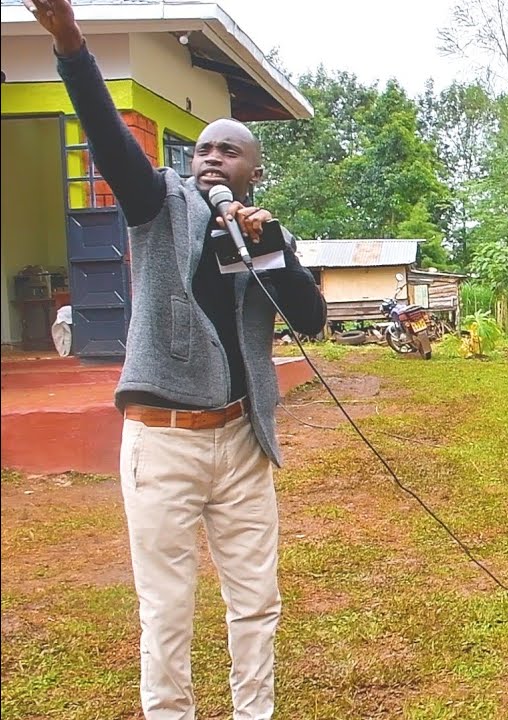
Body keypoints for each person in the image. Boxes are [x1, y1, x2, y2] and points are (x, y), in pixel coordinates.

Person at [32, 2, 327, 717]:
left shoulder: (264, 231)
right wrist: (72, 47)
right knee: (167, 610)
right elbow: (109, 143)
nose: (210, 157)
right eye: (202, 149)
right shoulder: (159, 204)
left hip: (242, 442)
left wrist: (272, 250)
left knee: (256, 602)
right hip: (163, 442)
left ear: (254, 171)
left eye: (228, 150)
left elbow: (311, 320)